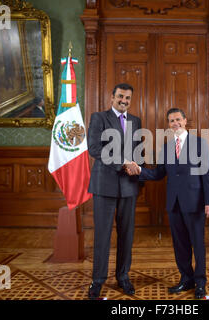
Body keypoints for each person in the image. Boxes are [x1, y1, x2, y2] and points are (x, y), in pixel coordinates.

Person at [126, 108, 209, 299]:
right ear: (168, 125)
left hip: (195, 202)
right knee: (180, 244)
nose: (175, 123)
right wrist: (139, 170)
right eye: (171, 121)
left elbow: (208, 175)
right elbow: (159, 174)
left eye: (178, 120)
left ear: (185, 121)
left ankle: (200, 283)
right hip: (174, 204)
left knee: (197, 244)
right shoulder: (166, 147)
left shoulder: (199, 144)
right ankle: (186, 279)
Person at [87, 83, 142, 299]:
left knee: (127, 235)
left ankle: (123, 276)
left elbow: (138, 150)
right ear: (112, 97)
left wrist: (138, 170)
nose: (124, 101)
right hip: (105, 185)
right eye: (120, 96)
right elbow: (94, 149)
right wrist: (123, 163)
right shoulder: (99, 118)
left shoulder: (136, 121)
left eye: (128, 98)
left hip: (129, 187)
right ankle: (98, 281)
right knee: (102, 235)